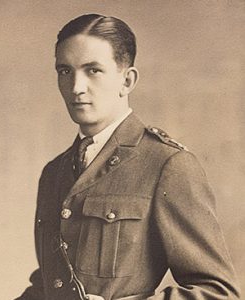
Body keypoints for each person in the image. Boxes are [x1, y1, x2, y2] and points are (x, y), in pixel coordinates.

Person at [15, 14, 240, 300]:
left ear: (127, 80)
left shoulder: (166, 165)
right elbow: (50, 284)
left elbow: (219, 292)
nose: (76, 87)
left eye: (93, 70)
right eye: (65, 71)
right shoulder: (54, 172)